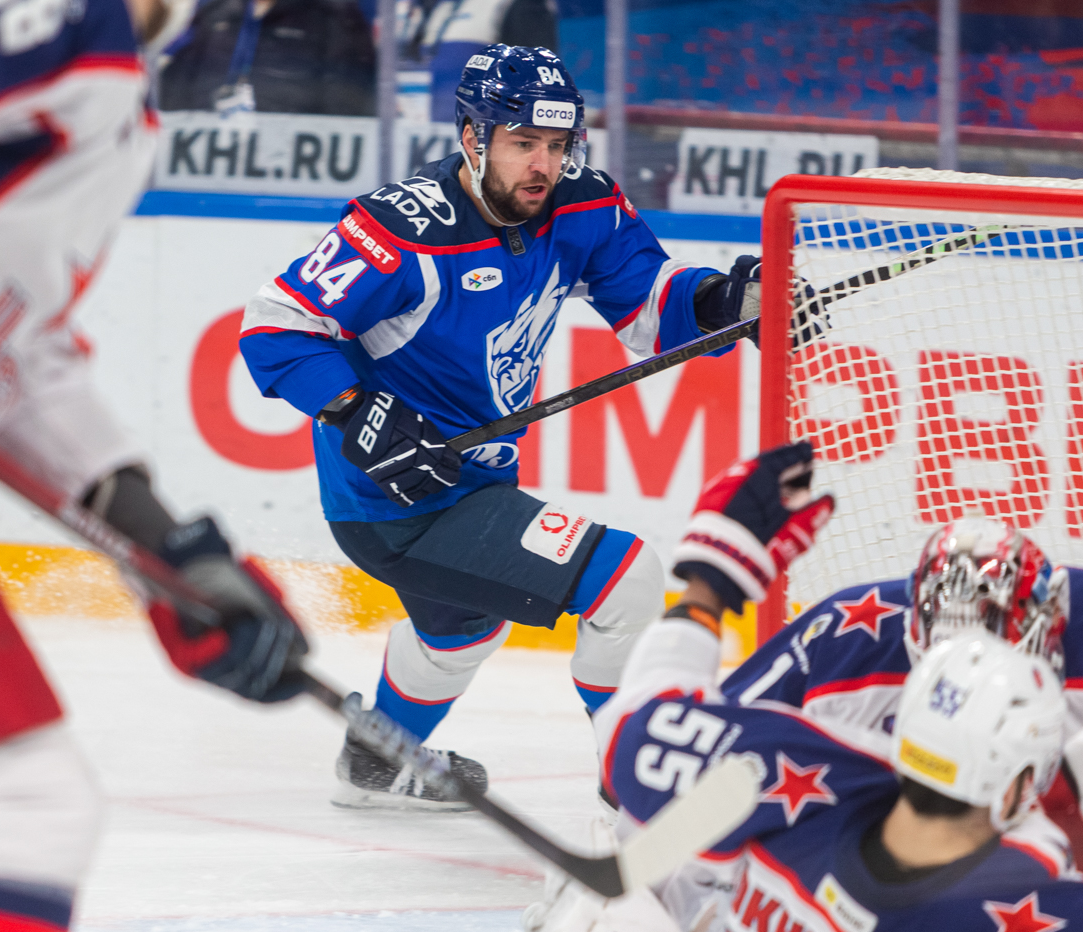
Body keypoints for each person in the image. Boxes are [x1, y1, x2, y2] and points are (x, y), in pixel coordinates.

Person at [0, 0, 309, 932]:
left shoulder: (120, 101)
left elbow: (15, 356)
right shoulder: (83, 20)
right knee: (14, 811)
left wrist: (170, 548)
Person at [239, 43, 763, 810]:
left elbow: (648, 301)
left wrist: (723, 302)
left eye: (557, 144)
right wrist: (355, 409)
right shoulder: (403, 230)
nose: (543, 165)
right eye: (523, 143)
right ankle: (643, 784)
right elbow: (276, 323)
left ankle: (376, 757)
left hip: (475, 480)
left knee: (463, 632)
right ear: (472, 138)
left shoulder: (581, 204)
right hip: (394, 499)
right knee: (627, 581)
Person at [495, 446, 1083, 932]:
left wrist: (708, 586)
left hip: (771, 914)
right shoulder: (1059, 904)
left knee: (631, 886)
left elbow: (649, 734)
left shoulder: (812, 768)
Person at [721, 515, 1083, 922]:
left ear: (1052, 624)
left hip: (964, 894)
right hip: (866, 888)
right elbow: (703, 754)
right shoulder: (842, 642)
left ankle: (1081, 871)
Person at [156, 0, 376, 115]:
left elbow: (350, 107)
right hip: (207, 164)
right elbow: (175, 95)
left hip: (294, 169)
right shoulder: (216, 12)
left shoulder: (334, 17)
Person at [395, 0, 560, 123]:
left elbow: (535, 92)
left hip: (475, 147)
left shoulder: (516, 6)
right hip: (413, 141)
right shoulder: (427, 9)